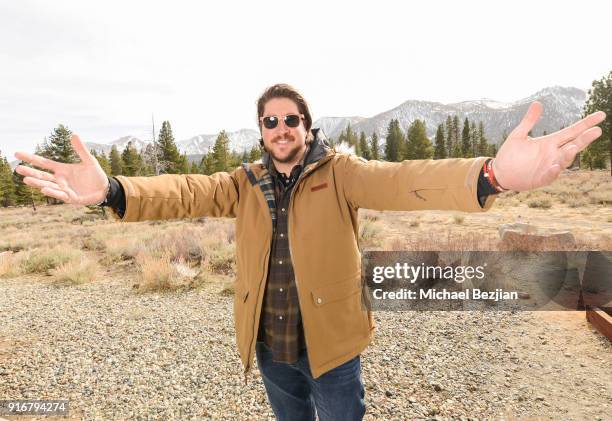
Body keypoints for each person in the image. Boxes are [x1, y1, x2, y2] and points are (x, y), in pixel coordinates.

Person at [15, 84, 606, 421]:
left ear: (306, 124)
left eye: (290, 119)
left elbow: (402, 180)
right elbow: (182, 191)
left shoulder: (339, 172)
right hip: (271, 344)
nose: (280, 128)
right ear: (261, 129)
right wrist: (113, 192)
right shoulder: (242, 181)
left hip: (333, 344)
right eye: (269, 120)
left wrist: (491, 177)